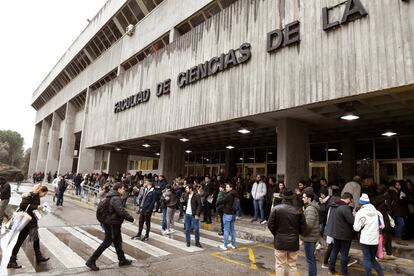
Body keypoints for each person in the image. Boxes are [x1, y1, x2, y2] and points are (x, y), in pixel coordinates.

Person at [86, 183, 135, 271]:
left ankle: (122, 260)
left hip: (111, 223)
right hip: (112, 224)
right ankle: (91, 261)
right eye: (123, 188)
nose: (124, 190)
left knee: (117, 241)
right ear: (119, 189)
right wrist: (132, 219)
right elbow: (121, 211)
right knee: (107, 242)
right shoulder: (116, 198)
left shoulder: (110, 196)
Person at [7, 184, 50, 268]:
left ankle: (37, 257)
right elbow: (23, 205)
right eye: (44, 194)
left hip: (30, 222)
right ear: (40, 191)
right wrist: (37, 207)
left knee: (34, 239)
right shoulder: (31, 195)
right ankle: (12, 261)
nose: (44, 196)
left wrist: (40, 211)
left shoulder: (35, 196)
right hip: (28, 222)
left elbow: (32, 208)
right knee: (29, 240)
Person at [268, 189, 307, 276]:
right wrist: (297, 233)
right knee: (292, 265)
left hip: (280, 241)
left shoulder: (276, 209)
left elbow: (270, 225)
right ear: (292, 198)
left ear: (283, 198)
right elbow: (304, 227)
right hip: (293, 241)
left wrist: (276, 233)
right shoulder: (298, 210)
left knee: (280, 264)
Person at [353, 194, 384, 276]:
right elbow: (382, 226)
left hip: (365, 239)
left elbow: (356, 228)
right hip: (375, 240)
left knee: (367, 259)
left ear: (361, 203)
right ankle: (381, 274)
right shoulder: (377, 212)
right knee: (373, 259)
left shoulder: (360, 213)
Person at [324, 192, 355, 275]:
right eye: (350, 200)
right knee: (344, 254)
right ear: (348, 199)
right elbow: (352, 221)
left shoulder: (334, 205)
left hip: (335, 232)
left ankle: (331, 269)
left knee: (334, 251)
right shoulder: (345, 208)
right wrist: (354, 215)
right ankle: (343, 272)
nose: (350, 202)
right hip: (344, 235)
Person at [301, 189, 320, 276]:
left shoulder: (310, 209)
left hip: (309, 238)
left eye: (304, 197)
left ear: (309, 199)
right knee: (311, 259)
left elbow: (308, 226)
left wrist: (302, 236)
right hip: (311, 237)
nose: (302, 199)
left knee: (310, 260)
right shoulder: (310, 207)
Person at [218, 183, 238, 250]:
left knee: (226, 230)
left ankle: (225, 245)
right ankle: (233, 244)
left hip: (227, 214)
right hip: (233, 214)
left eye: (227, 187)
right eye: (226, 187)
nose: (226, 188)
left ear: (231, 188)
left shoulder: (229, 195)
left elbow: (222, 201)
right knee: (232, 230)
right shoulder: (235, 194)